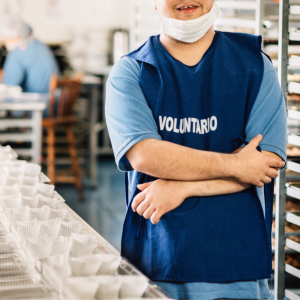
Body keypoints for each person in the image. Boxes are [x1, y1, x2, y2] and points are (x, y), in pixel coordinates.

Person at [106, 0, 287, 299]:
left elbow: (265, 163)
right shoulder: (132, 72)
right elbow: (146, 155)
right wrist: (238, 164)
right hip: (161, 258)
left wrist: (182, 188)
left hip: (235, 261)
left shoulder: (255, 66)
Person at [0, 17, 59, 94]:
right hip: (53, 102)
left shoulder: (18, 52)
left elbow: (8, 85)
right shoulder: (41, 46)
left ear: (16, 35)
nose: (5, 42)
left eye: (6, 38)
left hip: (35, 103)